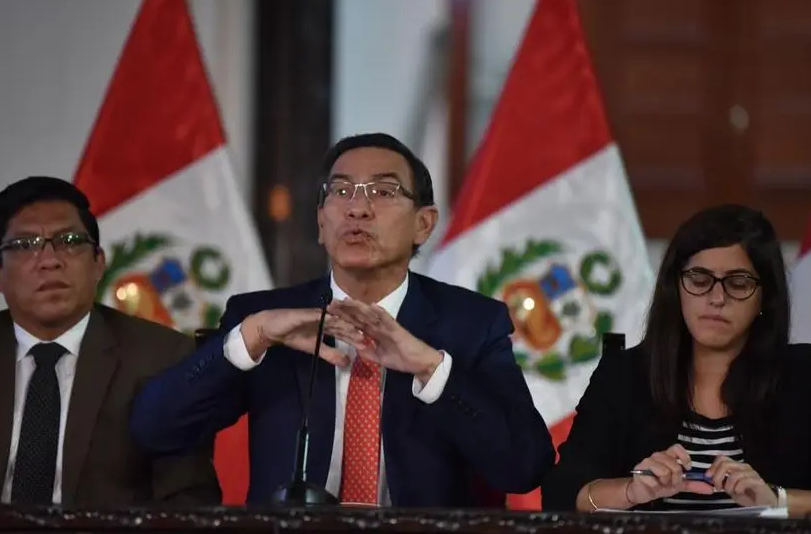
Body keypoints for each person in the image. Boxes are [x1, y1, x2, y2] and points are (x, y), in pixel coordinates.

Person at [130, 133, 555, 507]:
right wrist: (251, 338)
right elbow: (155, 431)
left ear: (423, 225)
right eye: (342, 192)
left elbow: (523, 468)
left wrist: (432, 369)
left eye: (384, 192)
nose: (358, 209)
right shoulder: (264, 319)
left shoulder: (473, 324)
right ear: (320, 222)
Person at [0, 176, 221, 506]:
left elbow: (188, 501)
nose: (50, 260)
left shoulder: (163, 359)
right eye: (24, 245)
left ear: (98, 263)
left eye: (70, 241)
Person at [541, 204, 811, 516]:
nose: (717, 298)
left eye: (738, 283)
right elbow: (561, 493)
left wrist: (777, 500)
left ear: (765, 297)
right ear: (675, 289)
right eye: (699, 279)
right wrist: (630, 491)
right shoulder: (623, 376)